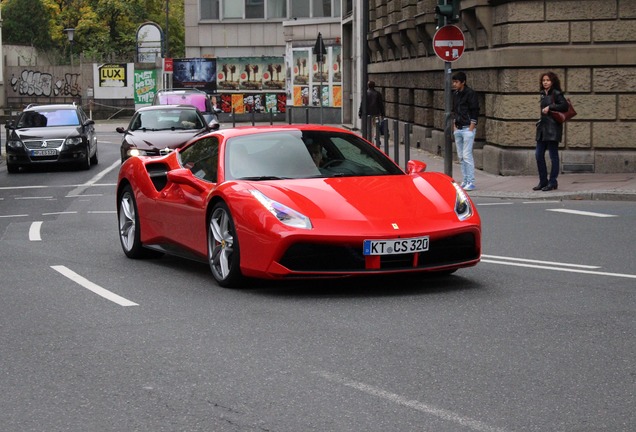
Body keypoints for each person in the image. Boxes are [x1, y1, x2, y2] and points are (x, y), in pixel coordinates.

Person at [534, 71, 569, 191]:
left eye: (548, 80)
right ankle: (543, 181)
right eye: (543, 80)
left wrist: (550, 107)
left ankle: (553, 181)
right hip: (542, 129)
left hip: (553, 129)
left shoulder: (556, 93)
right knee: (538, 155)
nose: (545, 82)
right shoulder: (543, 94)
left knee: (553, 156)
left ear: (552, 81)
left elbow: (565, 106)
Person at [452, 71, 480, 191]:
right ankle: (465, 179)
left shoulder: (470, 94)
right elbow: (455, 110)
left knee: (467, 155)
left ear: (463, 82)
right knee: (461, 156)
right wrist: (454, 125)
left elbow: (475, 110)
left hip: (467, 128)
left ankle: (471, 181)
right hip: (458, 128)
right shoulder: (456, 94)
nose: (454, 84)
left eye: (456, 82)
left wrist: (471, 127)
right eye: (454, 82)